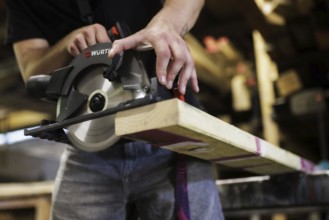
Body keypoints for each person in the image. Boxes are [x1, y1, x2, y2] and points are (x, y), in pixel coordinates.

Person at [5, 0, 225, 219]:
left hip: (170, 135)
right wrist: (67, 45)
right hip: (90, 141)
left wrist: (166, 25)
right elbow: (32, 72)